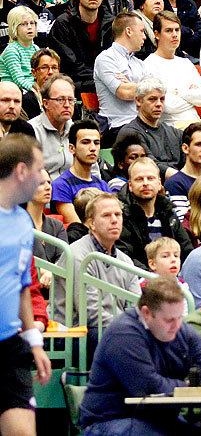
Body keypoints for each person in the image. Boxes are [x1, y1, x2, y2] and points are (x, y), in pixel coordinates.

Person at [80, 276, 201, 436]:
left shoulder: (179, 330)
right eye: (169, 320)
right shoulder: (123, 334)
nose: (176, 326)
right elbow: (148, 387)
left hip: (156, 420)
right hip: (109, 422)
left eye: (179, 318)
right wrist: (196, 389)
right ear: (146, 313)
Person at [0, 134, 49, 436]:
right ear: (21, 171)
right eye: (40, 169)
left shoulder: (22, 222)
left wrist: (35, 342)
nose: (45, 177)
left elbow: (21, 285)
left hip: (10, 348)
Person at [50, 193, 141, 331]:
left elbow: (136, 307)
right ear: (92, 223)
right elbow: (89, 313)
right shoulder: (78, 255)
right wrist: (129, 327)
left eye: (118, 214)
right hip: (75, 332)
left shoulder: (125, 261)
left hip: (114, 329)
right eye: (106, 215)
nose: (114, 220)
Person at [117, 157, 193, 269]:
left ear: (159, 183)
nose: (145, 183)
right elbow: (124, 257)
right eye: (139, 179)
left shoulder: (168, 213)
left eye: (150, 178)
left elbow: (186, 251)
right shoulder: (121, 215)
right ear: (130, 185)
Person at [51, 119, 110, 209]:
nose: (93, 148)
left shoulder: (103, 185)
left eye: (96, 143)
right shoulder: (60, 186)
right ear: (72, 148)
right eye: (85, 142)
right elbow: (73, 221)